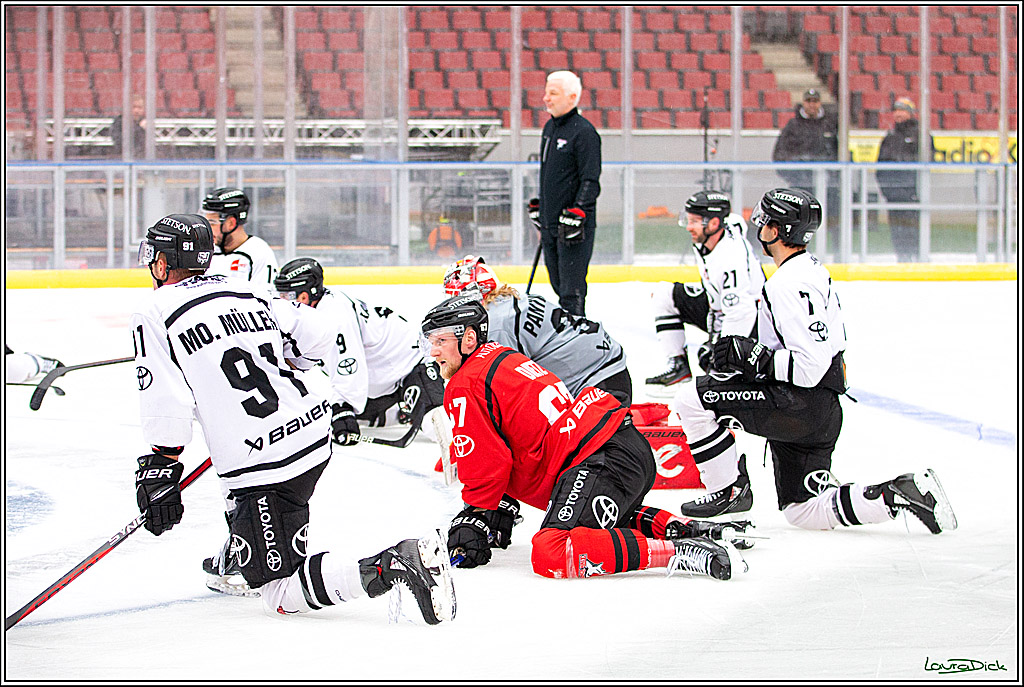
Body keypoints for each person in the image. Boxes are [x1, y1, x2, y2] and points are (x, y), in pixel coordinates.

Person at [130, 213, 455, 623]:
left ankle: (392, 563)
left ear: (161, 262)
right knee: (257, 508)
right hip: (311, 432)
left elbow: (164, 397)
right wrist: (286, 357)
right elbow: (317, 334)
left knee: (279, 593)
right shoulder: (245, 290)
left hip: (266, 460)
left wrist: (161, 465)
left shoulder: (155, 311)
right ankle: (243, 551)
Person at [670, 188, 957, 538]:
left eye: (765, 220)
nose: (758, 224)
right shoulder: (809, 269)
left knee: (692, 399)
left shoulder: (787, 285)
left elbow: (810, 367)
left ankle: (729, 490)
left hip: (798, 406)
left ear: (777, 231)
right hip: (820, 409)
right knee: (802, 510)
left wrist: (753, 357)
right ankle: (897, 494)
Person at [421, 294, 753, 581]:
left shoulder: (464, 383)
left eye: (441, 341)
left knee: (551, 551)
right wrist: (494, 504)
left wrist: (476, 511)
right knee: (594, 523)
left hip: (598, 458)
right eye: (430, 342)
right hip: (618, 449)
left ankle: (678, 552)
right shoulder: (501, 356)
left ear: (467, 339)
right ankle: (693, 530)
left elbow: (488, 461)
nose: (434, 352)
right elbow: (508, 445)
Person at [273, 257, 445, 447]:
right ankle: (400, 411)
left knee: (437, 424)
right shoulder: (315, 313)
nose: (283, 302)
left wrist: (343, 408)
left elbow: (348, 364)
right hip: (382, 383)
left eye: (287, 296)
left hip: (414, 366)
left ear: (307, 295)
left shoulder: (334, 314)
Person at [442, 254, 632, 406]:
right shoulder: (512, 301)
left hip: (599, 384)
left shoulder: (496, 324)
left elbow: (505, 387)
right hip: (606, 370)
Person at [645, 191, 765, 390]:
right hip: (719, 308)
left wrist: (721, 358)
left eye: (694, 221)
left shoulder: (730, 259)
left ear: (714, 223)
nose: (689, 227)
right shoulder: (715, 234)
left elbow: (741, 313)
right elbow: (737, 222)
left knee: (712, 367)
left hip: (753, 325)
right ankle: (679, 367)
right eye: (688, 220)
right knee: (663, 295)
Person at [528, 70, 601, 317]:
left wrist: (578, 211)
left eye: (553, 93)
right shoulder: (550, 128)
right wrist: (543, 207)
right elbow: (552, 175)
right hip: (551, 225)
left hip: (573, 229)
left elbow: (591, 180)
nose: (546, 98)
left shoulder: (585, 133)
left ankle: (576, 334)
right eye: (546, 92)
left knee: (572, 290)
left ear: (572, 97)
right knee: (558, 285)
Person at [771, 88, 839, 232]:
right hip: (800, 187)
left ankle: (835, 253)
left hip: (827, 186)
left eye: (815, 101)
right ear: (803, 103)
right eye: (808, 101)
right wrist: (795, 177)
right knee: (798, 225)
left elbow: (839, 153)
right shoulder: (793, 126)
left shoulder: (830, 124)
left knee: (832, 223)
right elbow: (780, 156)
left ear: (820, 103)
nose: (812, 105)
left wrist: (833, 177)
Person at [876, 97, 933, 263]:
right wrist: (887, 191)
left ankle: (918, 258)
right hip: (894, 194)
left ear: (910, 113)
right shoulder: (890, 136)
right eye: (897, 110)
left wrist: (914, 190)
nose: (899, 114)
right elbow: (880, 167)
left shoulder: (920, 134)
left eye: (903, 110)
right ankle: (902, 258)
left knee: (914, 229)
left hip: (912, 194)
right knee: (897, 230)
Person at [202, 187, 279, 292]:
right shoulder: (206, 251)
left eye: (212, 223)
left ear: (231, 223)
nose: (208, 229)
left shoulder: (258, 252)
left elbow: (265, 299)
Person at [110, 93, 146, 159]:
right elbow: (120, 143)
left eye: (140, 108)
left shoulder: (145, 123)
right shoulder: (119, 122)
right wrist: (140, 128)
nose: (136, 111)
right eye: (133, 107)